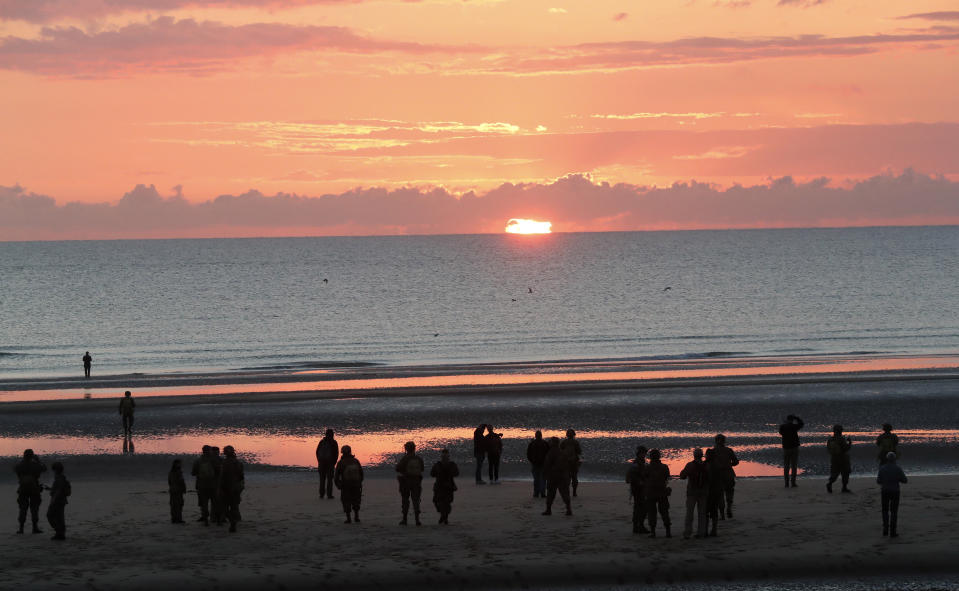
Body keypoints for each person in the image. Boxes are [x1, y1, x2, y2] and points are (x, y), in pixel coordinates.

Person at [679, 448, 709, 539]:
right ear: (702, 455)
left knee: (689, 513)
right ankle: (701, 532)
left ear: (694, 455)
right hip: (703, 492)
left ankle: (687, 533)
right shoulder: (707, 465)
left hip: (692, 492)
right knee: (702, 513)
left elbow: (682, 476)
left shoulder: (690, 465)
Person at [14, 449, 46, 534]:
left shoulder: (19, 465)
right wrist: (38, 460)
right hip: (34, 489)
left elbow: (16, 471)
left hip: (23, 489)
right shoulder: (35, 465)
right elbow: (44, 468)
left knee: (22, 509)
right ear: (32, 456)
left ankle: (21, 529)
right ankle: (34, 528)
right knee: (34, 509)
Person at [877, 451, 907, 537]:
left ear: (887, 459)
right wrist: (898, 479)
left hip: (885, 491)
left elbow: (878, 481)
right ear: (895, 459)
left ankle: (885, 529)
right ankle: (893, 531)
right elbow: (905, 480)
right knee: (894, 511)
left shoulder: (882, 468)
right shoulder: (898, 468)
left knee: (885, 510)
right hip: (895, 491)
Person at [396, 441, 425, 526]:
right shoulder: (419, 459)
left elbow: (398, 468)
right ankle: (417, 520)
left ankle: (405, 519)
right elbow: (422, 469)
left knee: (405, 500)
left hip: (406, 482)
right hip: (416, 482)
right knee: (416, 500)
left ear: (407, 449)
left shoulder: (405, 458)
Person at [643, 449, 671, 538]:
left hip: (651, 493)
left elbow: (644, 477)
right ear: (659, 457)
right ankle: (668, 532)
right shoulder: (664, 467)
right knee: (664, 512)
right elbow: (667, 477)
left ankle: (653, 532)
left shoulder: (647, 468)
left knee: (652, 513)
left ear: (650, 457)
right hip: (662, 492)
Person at [542, 437, 572, 516]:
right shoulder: (562, 452)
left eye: (550, 442)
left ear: (553, 443)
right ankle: (569, 509)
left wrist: (544, 474)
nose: (549, 443)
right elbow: (567, 465)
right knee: (565, 493)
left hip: (553, 476)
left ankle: (548, 510)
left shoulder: (551, 452)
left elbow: (547, 464)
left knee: (551, 493)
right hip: (563, 476)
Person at [334, 445, 364, 523]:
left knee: (346, 500)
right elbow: (361, 473)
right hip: (356, 484)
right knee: (356, 500)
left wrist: (338, 485)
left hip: (346, 485)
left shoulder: (341, 463)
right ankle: (356, 517)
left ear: (342, 453)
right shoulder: (356, 461)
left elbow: (336, 476)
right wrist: (359, 482)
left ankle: (349, 518)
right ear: (350, 451)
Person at [711, 434, 739, 518]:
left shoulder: (712, 451)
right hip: (729, 474)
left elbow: (709, 464)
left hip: (718, 475)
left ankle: (722, 514)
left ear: (716, 441)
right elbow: (736, 462)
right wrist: (729, 464)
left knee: (720, 495)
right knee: (729, 492)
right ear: (724, 441)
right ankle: (729, 508)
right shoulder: (729, 450)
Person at [219, 445, 244, 533]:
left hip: (227, 487)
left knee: (225, 508)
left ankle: (232, 522)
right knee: (233, 507)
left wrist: (221, 487)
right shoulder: (237, 462)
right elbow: (241, 476)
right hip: (235, 488)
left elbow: (222, 476)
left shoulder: (225, 463)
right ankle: (233, 522)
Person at [430, 449, 459, 524]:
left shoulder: (438, 465)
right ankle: (444, 516)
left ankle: (444, 516)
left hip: (440, 486)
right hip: (447, 486)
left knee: (439, 502)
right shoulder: (451, 464)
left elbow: (432, 474)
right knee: (445, 502)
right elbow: (456, 473)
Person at [625, 445, 649, 534]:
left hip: (640, 488)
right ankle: (639, 526)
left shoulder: (641, 463)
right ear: (639, 454)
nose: (644, 455)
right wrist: (641, 482)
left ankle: (638, 526)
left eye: (645, 453)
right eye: (643, 453)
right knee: (641, 508)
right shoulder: (636, 464)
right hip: (638, 489)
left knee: (639, 508)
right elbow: (631, 478)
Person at [191, 446, 216, 525]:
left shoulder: (198, 461)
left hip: (201, 485)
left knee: (203, 503)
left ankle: (205, 519)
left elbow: (193, 473)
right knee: (214, 502)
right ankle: (214, 518)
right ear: (210, 451)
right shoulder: (215, 460)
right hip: (213, 485)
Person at [46, 461, 70, 540]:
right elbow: (58, 489)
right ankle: (60, 533)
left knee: (51, 515)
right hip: (61, 500)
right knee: (59, 517)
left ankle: (59, 532)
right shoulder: (61, 478)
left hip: (57, 500)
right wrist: (49, 489)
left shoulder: (59, 478)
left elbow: (59, 490)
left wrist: (53, 500)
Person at [779, 414, 804, 488]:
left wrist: (786, 423)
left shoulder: (783, 427)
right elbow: (801, 424)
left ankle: (786, 483)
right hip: (794, 448)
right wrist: (797, 418)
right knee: (794, 466)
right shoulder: (794, 426)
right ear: (792, 420)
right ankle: (793, 483)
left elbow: (780, 432)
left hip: (786, 448)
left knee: (786, 466)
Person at [826, 424, 853, 493]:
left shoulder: (830, 439)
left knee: (834, 473)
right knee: (845, 473)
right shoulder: (841, 439)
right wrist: (849, 443)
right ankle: (844, 488)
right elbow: (845, 449)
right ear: (840, 431)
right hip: (843, 459)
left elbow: (828, 449)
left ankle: (830, 483)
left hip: (834, 459)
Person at [315, 429, 339, 499]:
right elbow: (336, 454)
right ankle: (329, 495)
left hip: (321, 463)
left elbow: (317, 452)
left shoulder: (322, 442)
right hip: (330, 463)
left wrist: (319, 461)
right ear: (332, 435)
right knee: (329, 480)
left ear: (325, 434)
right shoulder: (334, 443)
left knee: (322, 479)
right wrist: (334, 462)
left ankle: (321, 494)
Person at [704, 448, 722, 537]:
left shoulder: (707, 464)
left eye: (706, 455)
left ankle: (707, 530)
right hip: (716, 490)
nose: (706, 456)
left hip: (709, 491)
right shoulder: (717, 464)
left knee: (706, 511)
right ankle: (713, 530)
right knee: (714, 511)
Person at [526, 430, 550, 498]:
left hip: (536, 463)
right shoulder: (545, 443)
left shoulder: (532, 443)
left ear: (535, 436)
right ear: (541, 435)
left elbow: (528, 454)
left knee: (536, 479)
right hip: (542, 464)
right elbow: (548, 453)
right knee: (542, 479)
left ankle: (536, 493)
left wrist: (531, 461)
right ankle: (542, 493)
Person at [560, 428, 583, 497]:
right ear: (573, 435)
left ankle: (568, 492)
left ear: (567, 435)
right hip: (574, 462)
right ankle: (574, 492)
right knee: (574, 477)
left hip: (566, 462)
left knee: (567, 478)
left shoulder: (564, 442)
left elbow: (560, 450)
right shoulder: (575, 442)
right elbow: (579, 452)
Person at [209, 446, 225, 524]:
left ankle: (214, 518)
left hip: (214, 483)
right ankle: (217, 517)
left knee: (215, 501)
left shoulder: (208, 460)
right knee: (218, 501)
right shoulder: (220, 460)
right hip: (217, 483)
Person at [168, 459, 186, 524]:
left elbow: (169, 481)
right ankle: (178, 519)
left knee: (173, 505)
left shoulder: (171, 472)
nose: (181, 465)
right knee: (179, 504)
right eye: (180, 463)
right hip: (177, 490)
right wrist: (184, 488)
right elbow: (181, 481)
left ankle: (174, 518)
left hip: (172, 490)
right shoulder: (178, 472)